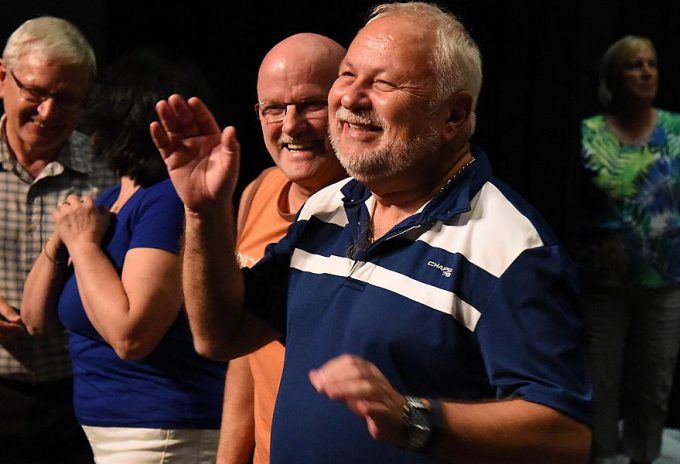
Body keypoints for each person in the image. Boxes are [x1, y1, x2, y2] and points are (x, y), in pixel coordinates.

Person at [152, 3, 592, 463]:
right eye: (347, 76)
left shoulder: (509, 250)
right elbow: (220, 336)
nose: (350, 98)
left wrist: (412, 419)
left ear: (454, 115)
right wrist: (203, 211)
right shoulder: (326, 210)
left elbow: (567, 437)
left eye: (382, 83)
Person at [21, 48, 226, 464]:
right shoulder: (114, 198)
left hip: (161, 433)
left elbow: (132, 335)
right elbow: (35, 319)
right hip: (116, 435)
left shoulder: (169, 200)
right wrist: (60, 243)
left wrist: (82, 245)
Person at [217, 33, 346, 464]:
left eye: (311, 104)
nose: (290, 126)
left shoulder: (379, 209)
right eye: (274, 108)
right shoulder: (259, 190)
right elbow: (244, 353)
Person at [0, 16, 114, 464]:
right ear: (3, 78)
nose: (48, 113)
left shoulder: (109, 169)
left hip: (81, 395)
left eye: (66, 99)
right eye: (36, 92)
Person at [578, 35, 680, 464]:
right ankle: (601, 455)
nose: (646, 72)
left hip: (669, 280)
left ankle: (644, 457)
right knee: (601, 383)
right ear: (614, 75)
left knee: (654, 383)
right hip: (603, 282)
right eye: (634, 65)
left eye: (651, 63)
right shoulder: (588, 134)